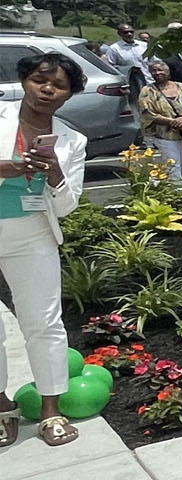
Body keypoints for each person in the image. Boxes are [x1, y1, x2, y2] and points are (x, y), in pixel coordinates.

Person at [0, 53, 89, 448]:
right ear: (25, 80)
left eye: (59, 86)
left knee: (44, 322)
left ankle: (52, 410)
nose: (47, 89)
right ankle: (2, 407)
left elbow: (68, 204)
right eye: (40, 80)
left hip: (33, 233)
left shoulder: (72, 140)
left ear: (69, 96)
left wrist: (54, 172)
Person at [139, 60, 182, 182]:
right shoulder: (147, 90)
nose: (157, 73)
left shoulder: (181, 87)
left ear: (168, 72)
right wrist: (172, 122)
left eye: (161, 70)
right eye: (154, 71)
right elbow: (147, 113)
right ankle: (177, 191)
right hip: (165, 134)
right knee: (172, 163)